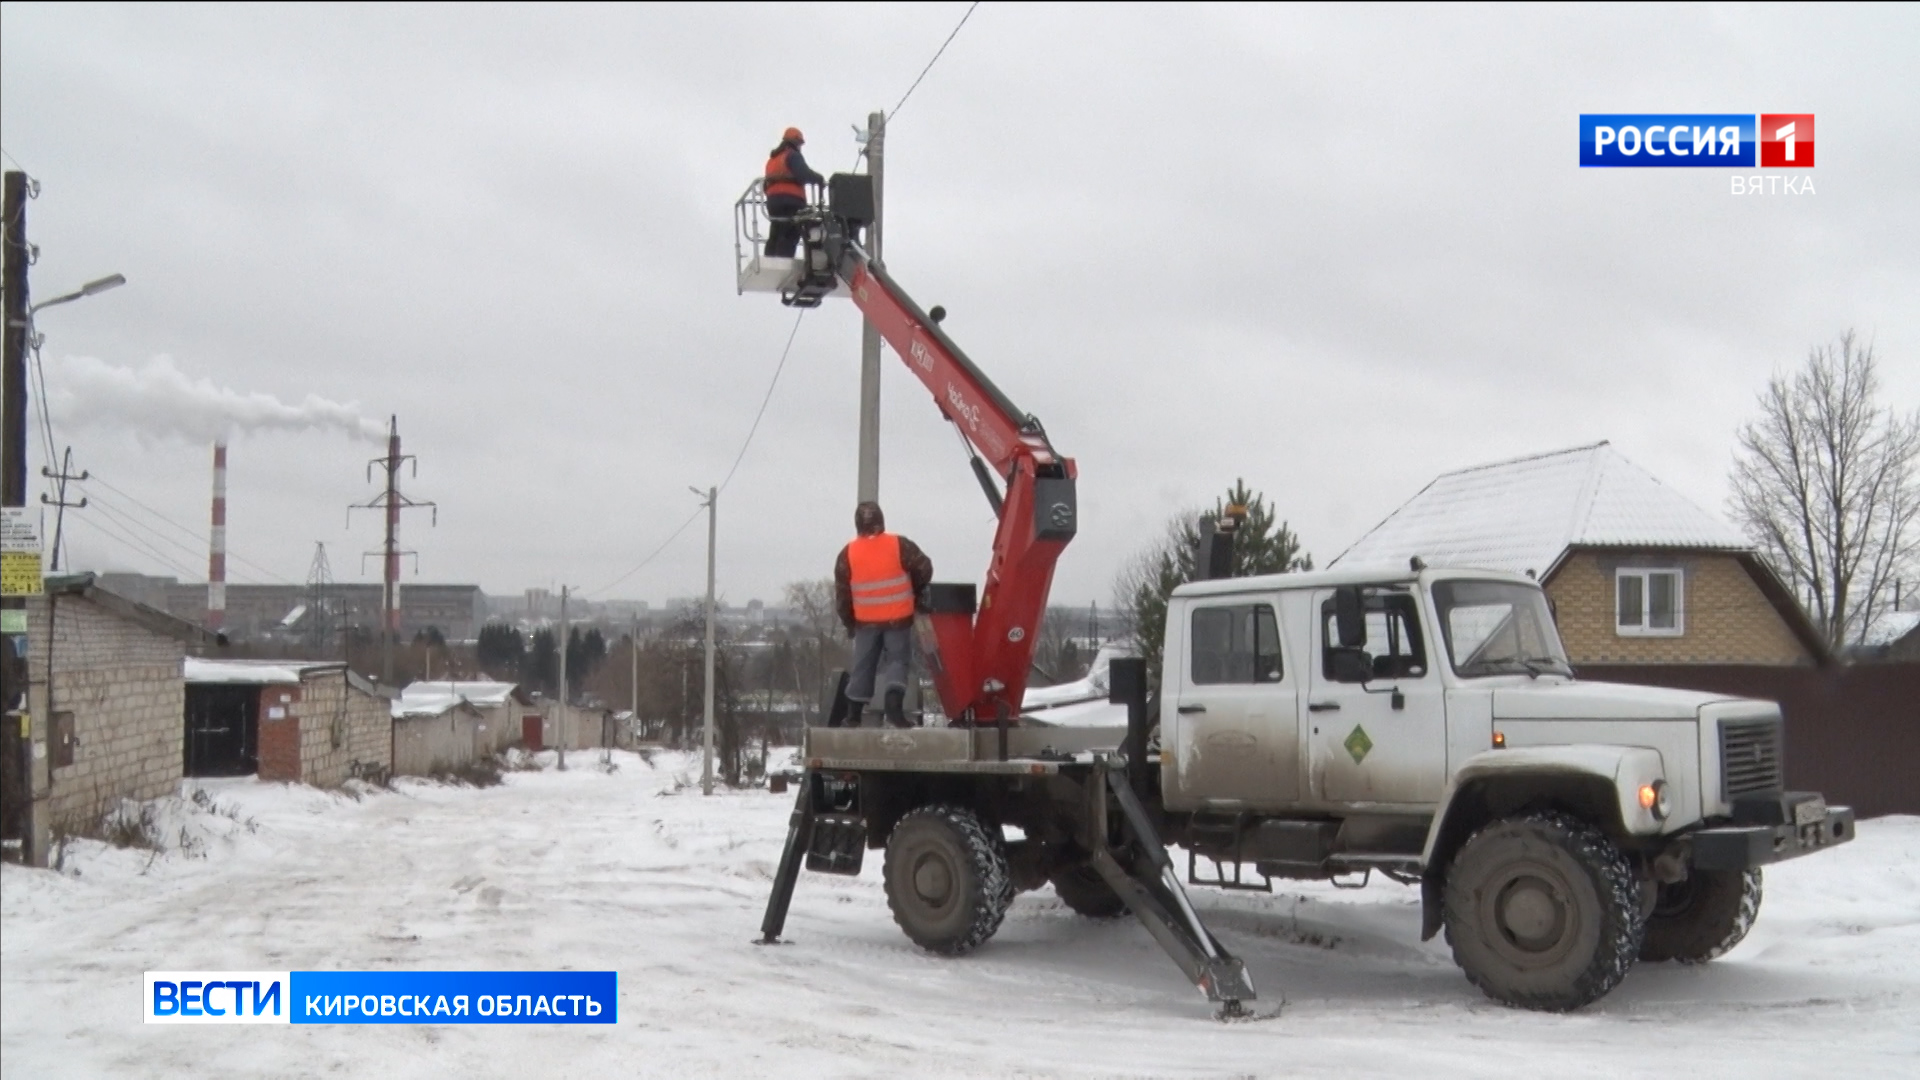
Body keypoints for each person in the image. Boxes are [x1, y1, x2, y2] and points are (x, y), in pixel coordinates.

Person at [834, 501, 933, 728]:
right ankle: (893, 707)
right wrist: (915, 590)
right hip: (898, 617)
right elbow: (925, 568)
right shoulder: (900, 545)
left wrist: (849, 622)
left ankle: (853, 716)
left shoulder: (847, 553)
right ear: (881, 520)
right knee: (897, 661)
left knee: (863, 665)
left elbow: (842, 595)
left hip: (865, 622)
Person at [764, 126, 825, 258]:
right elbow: (804, 174)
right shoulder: (792, 156)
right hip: (791, 200)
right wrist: (819, 179)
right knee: (790, 233)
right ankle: (783, 258)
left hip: (773, 203)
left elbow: (766, 185)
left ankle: (770, 258)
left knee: (776, 231)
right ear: (796, 142)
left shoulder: (772, 160)